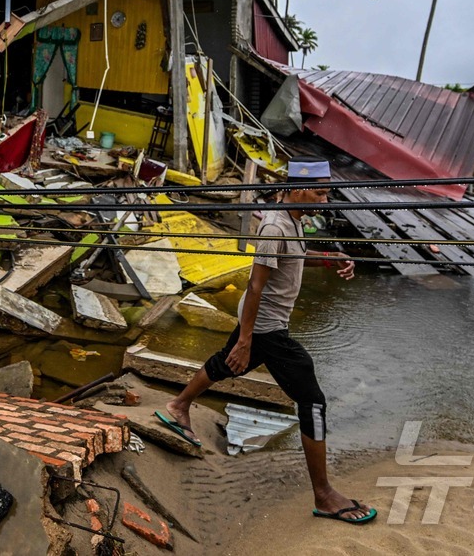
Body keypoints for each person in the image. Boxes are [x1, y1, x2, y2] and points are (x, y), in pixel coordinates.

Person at [157, 183, 377, 525]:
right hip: (266, 324)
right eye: (320, 194)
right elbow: (256, 284)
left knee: (225, 364)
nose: (325, 200)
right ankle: (324, 495)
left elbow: (291, 262)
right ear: (299, 190)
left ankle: (178, 406)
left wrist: (330, 259)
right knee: (312, 401)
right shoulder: (274, 227)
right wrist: (246, 339)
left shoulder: (295, 219)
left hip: (262, 320)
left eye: (327, 194)